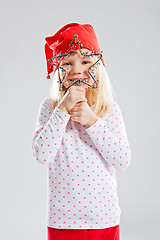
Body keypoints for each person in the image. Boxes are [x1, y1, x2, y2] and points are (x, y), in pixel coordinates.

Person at [32, 23, 132, 240]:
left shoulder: (109, 110)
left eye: (86, 61)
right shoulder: (49, 109)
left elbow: (123, 160)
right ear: (58, 70)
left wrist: (92, 121)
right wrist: (62, 109)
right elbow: (42, 154)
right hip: (62, 220)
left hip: (103, 218)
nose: (77, 70)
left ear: (98, 67)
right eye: (68, 63)